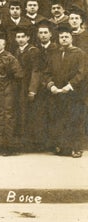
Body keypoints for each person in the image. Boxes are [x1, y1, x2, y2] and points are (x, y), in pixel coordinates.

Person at [43, 25, 86, 158]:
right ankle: (62, 147)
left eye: (66, 37)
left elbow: (82, 73)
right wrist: (52, 86)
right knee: (59, 119)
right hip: (57, 93)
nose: (64, 39)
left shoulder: (80, 54)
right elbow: (47, 73)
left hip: (74, 93)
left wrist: (69, 86)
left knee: (75, 119)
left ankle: (76, 148)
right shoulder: (54, 54)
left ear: (71, 38)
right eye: (61, 37)